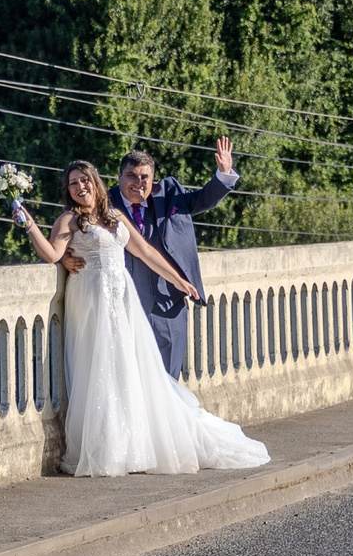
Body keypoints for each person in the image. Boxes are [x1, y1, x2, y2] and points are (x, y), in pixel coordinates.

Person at [13, 160, 269, 477]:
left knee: (129, 368)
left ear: (96, 182)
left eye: (85, 180)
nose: (81, 187)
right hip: (92, 300)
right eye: (74, 183)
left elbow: (145, 252)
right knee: (100, 369)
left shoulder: (114, 216)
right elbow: (52, 254)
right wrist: (29, 224)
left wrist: (178, 279)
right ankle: (109, 448)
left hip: (122, 299)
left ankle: (134, 443)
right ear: (68, 190)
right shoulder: (68, 219)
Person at [64, 138, 235, 380]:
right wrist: (64, 258)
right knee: (130, 380)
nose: (138, 183)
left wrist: (224, 174)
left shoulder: (170, 194)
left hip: (169, 304)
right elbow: (71, 233)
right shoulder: (102, 203)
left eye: (145, 177)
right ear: (119, 177)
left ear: (153, 179)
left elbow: (202, 199)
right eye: (131, 176)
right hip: (124, 306)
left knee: (169, 381)